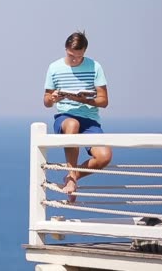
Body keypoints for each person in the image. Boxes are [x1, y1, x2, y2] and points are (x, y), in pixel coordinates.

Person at [43, 31, 112, 202]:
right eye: (71, 55)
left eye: (78, 56)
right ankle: (72, 180)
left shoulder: (95, 66)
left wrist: (86, 100)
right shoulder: (54, 67)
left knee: (104, 157)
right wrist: (53, 98)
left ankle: (72, 177)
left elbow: (103, 101)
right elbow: (46, 101)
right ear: (66, 49)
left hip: (89, 119)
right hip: (65, 117)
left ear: (85, 52)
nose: (74, 59)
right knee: (72, 124)